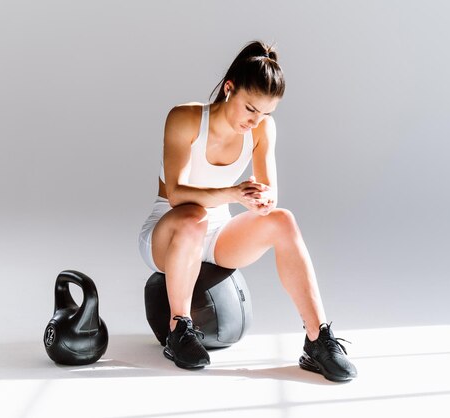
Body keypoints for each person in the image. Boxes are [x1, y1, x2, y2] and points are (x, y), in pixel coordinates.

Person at [138, 40, 357, 382]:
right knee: (195, 216)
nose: (256, 121)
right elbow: (179, 195)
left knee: (283, 220)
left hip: (218, 234)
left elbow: (271, 191)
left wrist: (262, 199)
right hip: (170, 233)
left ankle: (318, 339)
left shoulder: (261, 130)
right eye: (251, 109)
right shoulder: (185, 118)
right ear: (230, 89)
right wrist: (234, 193)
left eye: (266, 113)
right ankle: (179, 327)